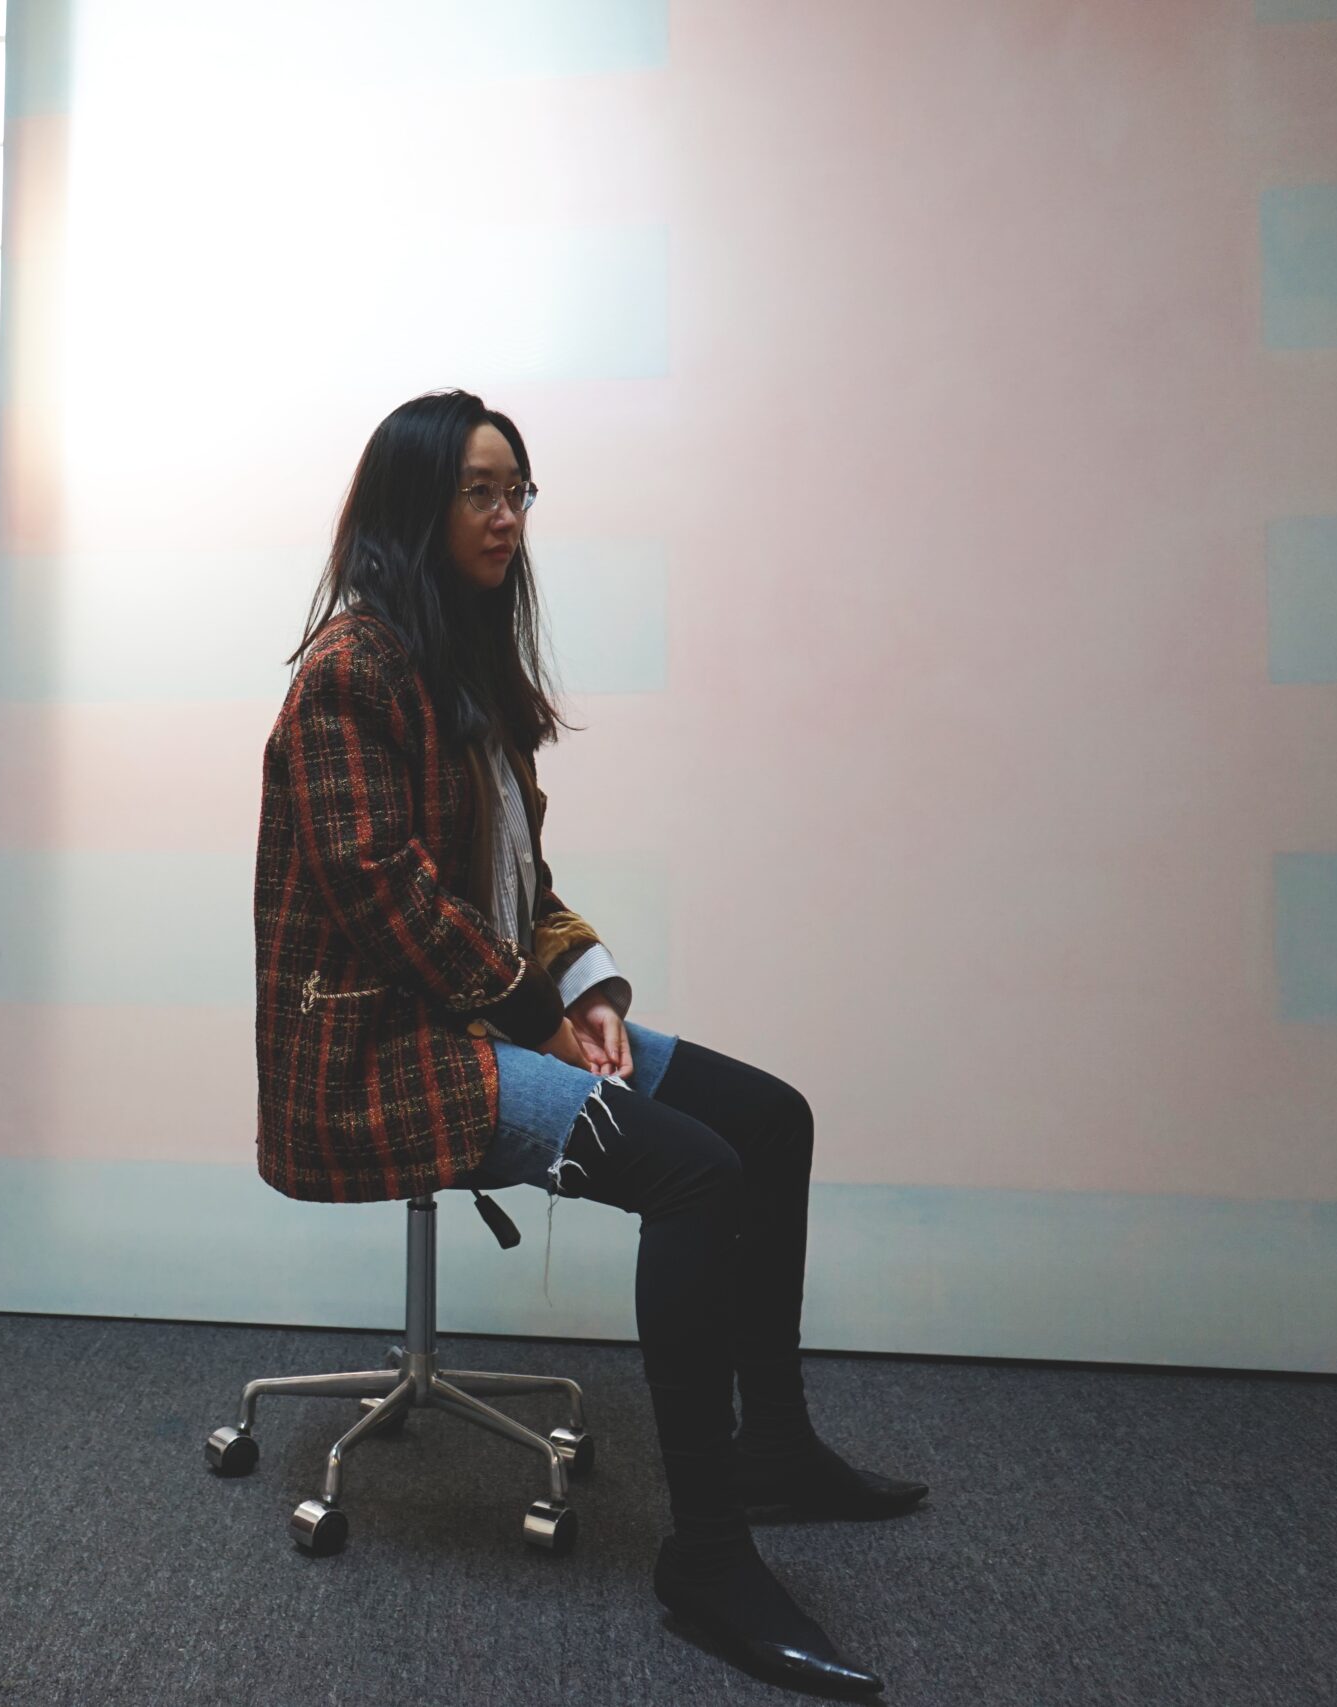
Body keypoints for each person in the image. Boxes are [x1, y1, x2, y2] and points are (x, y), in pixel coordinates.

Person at [253, 389, 926, 1699]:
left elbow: (519, 889)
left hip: (481, 1014)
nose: (508, 518)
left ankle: (771, 1449)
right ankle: (707, 1555)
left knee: (767, 1121)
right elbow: (386, 898)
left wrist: (588, 986)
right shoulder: (349, 673)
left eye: (519, 492)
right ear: (415, 507)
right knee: (697, 1174)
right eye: (480, 493)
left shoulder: (466, 673)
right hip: (380, 1057)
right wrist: (535, 1013)